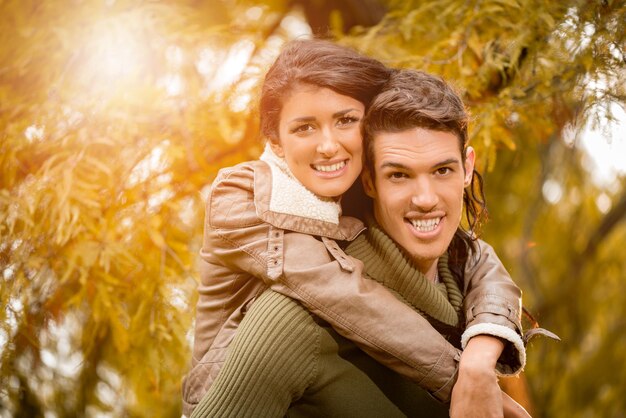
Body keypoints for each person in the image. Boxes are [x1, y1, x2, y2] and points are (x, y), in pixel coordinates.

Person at [183, 40, 527, 417]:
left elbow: (473, 253)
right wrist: (460, 379)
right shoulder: (241, 198)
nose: (329, 146)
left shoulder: (347, 192)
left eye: (346, 120)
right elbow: (343, 295)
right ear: (276, 142)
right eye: (304, 127)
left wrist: (483, 351)